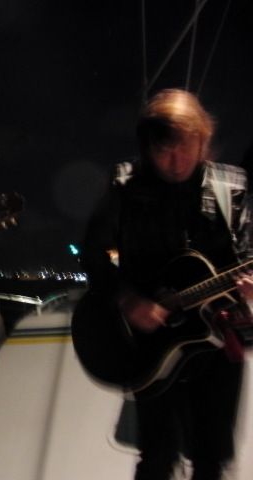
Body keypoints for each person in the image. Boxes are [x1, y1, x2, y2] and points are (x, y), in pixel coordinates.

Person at [81, 89, 253, 479]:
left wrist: (248, 286)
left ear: (203, 139)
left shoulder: (233, 187)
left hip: (215, 339)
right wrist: (127, 299)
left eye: (186, 147)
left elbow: (247, 253)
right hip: (149, 344)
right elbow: (93, 254)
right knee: (157, 457)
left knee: (212, 459)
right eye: (163, 150)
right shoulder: (125, 185)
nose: (176, 162)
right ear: (147, 148)